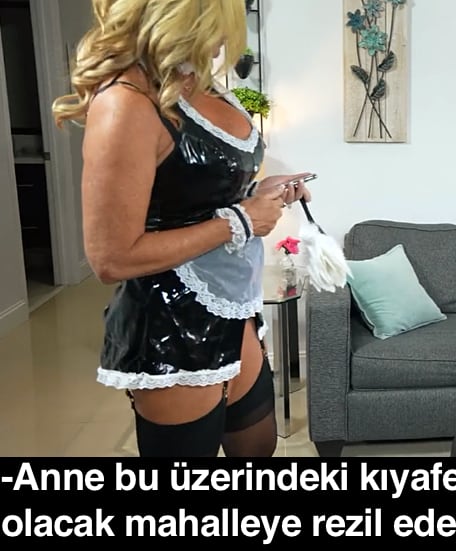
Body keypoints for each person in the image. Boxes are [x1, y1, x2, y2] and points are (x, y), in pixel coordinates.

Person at [51, 0, 313, 457]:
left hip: (234, 309)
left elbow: (191, 189)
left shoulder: (201, 85)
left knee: (258, 449)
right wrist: (242, 220)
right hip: (169, 326)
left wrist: (258, 193)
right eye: (220, 26)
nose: (225, 42)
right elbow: (111, 258)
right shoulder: (127, 102)